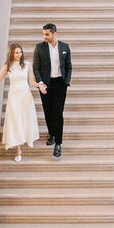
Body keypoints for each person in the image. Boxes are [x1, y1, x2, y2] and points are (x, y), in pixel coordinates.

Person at [0, 42, 40, 162]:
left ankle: (24, 142)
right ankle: (18, 150)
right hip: (14, 98)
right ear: (11, 54)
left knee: (24, 121)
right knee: (15, 122)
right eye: (16, 52)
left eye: (20, 52)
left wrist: (40, 85)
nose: (19, 54)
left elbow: (31, 81)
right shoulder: (7, 66)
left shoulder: (27, 64)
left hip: (25, 97)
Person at [33, 22, 72, 159]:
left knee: (58, 112)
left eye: (47, 34)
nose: (44, 36)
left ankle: (58, 143)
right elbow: (36, 68)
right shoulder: (39, 48)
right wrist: (40, 83)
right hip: (46, 84)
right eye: (43, 34)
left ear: (54, 33)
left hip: (60, 83)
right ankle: (52, 134)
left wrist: (66, 80)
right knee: (48, 111)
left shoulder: (64, 47)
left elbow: (69, 66)